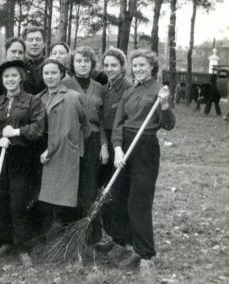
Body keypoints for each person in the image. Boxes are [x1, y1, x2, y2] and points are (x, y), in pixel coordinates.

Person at [110, 49, 175, 269]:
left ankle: (144, 252)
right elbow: (118, 124)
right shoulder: (128, 92)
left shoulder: (160, 92)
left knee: (139, 201)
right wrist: (117, 148)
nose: (138, 69)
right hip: (125, 145)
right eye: (135, 65)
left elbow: (168, 124)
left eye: (142, 65)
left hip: (145, 147)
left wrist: (164, 105)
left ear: (152, 67)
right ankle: (127, 244)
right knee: (120, 197)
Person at [0, 60, 45, 267]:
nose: (9, 80)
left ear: (21, 78)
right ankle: (5, 241)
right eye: (6, 76)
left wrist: (17, 132)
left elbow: (37, 129)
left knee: (19, 201)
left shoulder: (33, 101)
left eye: (13, 76)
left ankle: (22, 246)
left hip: (22, 158)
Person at [37, 58, 91, 231]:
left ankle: (58, 242)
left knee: (59, 200)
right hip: (41, 149)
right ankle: (43, 239)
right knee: (42, 198)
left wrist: (53, 150)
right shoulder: (39, 98)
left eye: (54, 72)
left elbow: (75, 129)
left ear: (61, 74)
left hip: (60, 153)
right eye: (46, 73)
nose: (50, 76)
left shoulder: (72, 97)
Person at [62, 46, 107, 245]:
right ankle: (69, 235)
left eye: (87, 61)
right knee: (72, 186)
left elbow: (103, 119)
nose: (83, 64)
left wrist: (104, 145)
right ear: (73, 63)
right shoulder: (64, 83)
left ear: (92, 64)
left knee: (89, 187)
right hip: (71, 139)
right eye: (79, 60)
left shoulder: (99, 87)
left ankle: (89, 236)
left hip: (93, 140)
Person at [94, 47, 133, 250]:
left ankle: (121, 239)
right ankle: (111, 235)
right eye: (107, 65)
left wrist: (115, 146)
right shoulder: (105, 87)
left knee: (117, 190)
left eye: (114, 65)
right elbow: (100, 119)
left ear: (122, 66)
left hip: (121, 141)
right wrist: (103, 145)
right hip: (106, 141)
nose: (110, 69)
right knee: (105, 190)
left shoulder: (128, 88)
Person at [22, 26, 47, 95]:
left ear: (43, 43)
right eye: (30, 40)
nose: (34, 43)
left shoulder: (50, 65)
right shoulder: (17, 65)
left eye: (38, 39)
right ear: (24, 43)